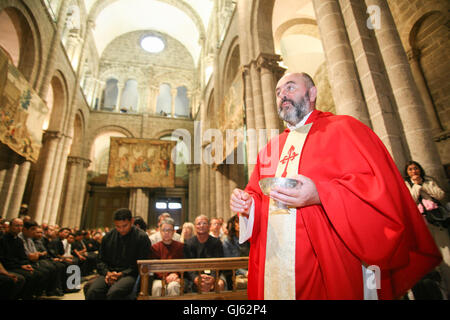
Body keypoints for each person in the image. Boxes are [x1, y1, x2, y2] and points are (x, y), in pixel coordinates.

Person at [229, 72, 442, 300]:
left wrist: (321, 194)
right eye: (278, 93)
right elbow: (258, 195)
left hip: (332, 259)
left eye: (290, 88)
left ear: (312, 93)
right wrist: (248, 204)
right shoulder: (270, 149)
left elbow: (377, 189)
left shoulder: (345, 129)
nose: (283, 96)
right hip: (278, 266)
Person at [404, 160, 450, 298]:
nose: (414, 172)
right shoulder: (407, 185)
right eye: (410, 169)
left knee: (446, 252)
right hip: (421, 223)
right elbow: (410, 200)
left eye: (416, 168)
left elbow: (441, 195)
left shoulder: (429, 182)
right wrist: (416, 186)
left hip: (436, 221)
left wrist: (424, 185)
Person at [85, 208, 151, 300]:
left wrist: (121, 274)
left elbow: (142, 262)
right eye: (118, 226)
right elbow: (100, 260)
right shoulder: (108, 237)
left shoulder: (141, 237)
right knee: (93, 291)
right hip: (109, 273)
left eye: (125, 226)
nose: (121, 230)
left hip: (130, 274)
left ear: (131, 221)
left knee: (115, 292)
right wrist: (107, 273)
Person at [0, 218, 43, 299]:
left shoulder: (19, 241)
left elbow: (23, 256)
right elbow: (4, 259)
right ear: (10, 226)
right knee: (23, 277)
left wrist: (25, 264)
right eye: (16, 225)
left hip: (16, 265)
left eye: (21, 226)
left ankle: (27, 296)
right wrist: (20, 266)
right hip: (8, 266)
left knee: (35, 273)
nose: (19, 228)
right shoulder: (3, 239)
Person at [183, 215, 226, 293]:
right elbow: (188, 266)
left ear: (209, 226)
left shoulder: (216, 242)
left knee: (219, 284)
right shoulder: (189, 243)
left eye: (204, 223)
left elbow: (219, 263)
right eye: (199, 224)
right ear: (195, 226)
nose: (201, 226)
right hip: (194, 275)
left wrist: (212, 278)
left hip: (215, 274)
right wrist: (196, 278)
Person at [150, 217, 184, 296]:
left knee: (174, 286)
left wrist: (176, 274)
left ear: (174, 232)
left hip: (176, 277)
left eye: (169, 230)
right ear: (160, 231)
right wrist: (165, 276)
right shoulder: (155, 248)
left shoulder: (181, 247)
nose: (166, 233)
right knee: (157, 287)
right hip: (159, 277)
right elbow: (154, 266)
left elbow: (183, 264)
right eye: (164, 230)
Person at [222, 214, 250, 290]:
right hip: (235, 272)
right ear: (234, 225)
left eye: (243, 222)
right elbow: (230, 263)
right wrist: (245, 272)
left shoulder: (249, 239)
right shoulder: (228, 241)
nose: (241, 225)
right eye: (238, 222)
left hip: (250, 269)